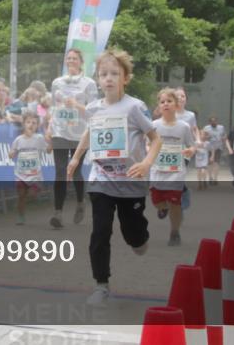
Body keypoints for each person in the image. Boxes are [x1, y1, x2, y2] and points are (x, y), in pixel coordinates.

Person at [67, 48, 162, 305]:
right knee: (100, 232)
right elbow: (90, 132)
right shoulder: (94, 108)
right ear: (98, 79)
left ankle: (139, 237)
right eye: (103, 74)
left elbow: (155, 139)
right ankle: (101, 284)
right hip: (102, 180)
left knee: (133, 234)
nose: (108, 78)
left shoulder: (134, 107)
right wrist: (76, 158)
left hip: (131, 181)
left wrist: (146, 163)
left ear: (125, 78)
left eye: (114, 74)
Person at [46, 47, 99, 229]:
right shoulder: (57, 82)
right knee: (60, 171)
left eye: (74, 58)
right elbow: (54, 108)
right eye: (68, 59)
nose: (71, 61)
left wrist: (76, 104)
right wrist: (49, 128)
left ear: (81, 62)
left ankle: (79, 202)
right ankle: (58, 213)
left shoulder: (89, 84)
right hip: (60, 131)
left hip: (80, 133)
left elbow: (93, 111)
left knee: (75, 171)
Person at [149, 88, 196, 246]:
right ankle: (163, 208)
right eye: (162, 102)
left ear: (176, 105)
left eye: (169, 101)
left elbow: (192, 145)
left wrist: (190, 150)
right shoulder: (154, 126)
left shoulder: (183, 127)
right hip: (157, 172)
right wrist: (149, 150)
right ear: (159, 106)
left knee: (175, 204)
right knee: (156, 201)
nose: (166, 104)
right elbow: (147, 144)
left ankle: (174, 232)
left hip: (176, 173)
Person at [9, 110, 49, 225]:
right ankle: (21, 217)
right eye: (28, 122)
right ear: (24, 124)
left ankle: (33, 196)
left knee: (31, 194)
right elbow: (13, 152)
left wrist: (51, 143)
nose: (31, 125)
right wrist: (11, 154)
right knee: (21, 196)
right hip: (21, 174)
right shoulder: (18, 140)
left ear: (37, 125)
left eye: (34, 123)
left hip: (35, 175)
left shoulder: (39, 138)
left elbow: (48, 150)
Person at [201, 115, 225, 186]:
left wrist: (223, 138)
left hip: (218, 147)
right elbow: (202, 137)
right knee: (210, 163)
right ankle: (210, 177)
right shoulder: (206, 128)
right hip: (209, 148)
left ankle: (215, 179)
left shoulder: (221, 127)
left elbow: (224, 135)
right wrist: (207, 137)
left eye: (215, 121)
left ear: (217, 121)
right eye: (212, 121)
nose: (213, 122)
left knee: (216, 163)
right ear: (210, 122)